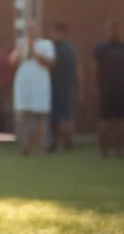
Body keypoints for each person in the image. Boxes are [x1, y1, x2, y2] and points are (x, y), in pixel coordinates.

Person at [11, 21, 56, 157]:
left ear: (39, 30)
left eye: (33, 29)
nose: (31, 32)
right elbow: (12, 62)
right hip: (23, 82)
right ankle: (24, 147)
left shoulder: (47, 44)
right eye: (28, 29)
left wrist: (34, 51)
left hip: (40, 82)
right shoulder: (20, 44)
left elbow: (50, 63)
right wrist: (20, 50)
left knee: (40, 116)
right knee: (22, 115)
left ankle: (41, 148)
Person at [94, 19, 124, 159]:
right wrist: (96, 86)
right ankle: (103, 151)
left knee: (121, 120)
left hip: (123, 88)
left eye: (116, 28)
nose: (114, 31)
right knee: (104, 120)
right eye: (111, 28)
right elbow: (95, 68)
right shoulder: (100, 48)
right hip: (105, 89)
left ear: (120, 30)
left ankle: (121, 150)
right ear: (107, 30)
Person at [48, 23, 81, 152]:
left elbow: (51, 64)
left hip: (61, 87)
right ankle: (60, 142)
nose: (51, 35)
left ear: (61, 33)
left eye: (54, 33)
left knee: (62, 117)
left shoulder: (62, 49)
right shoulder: (70, 48)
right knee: (63, 116)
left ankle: (65, 143)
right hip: (63, 87)